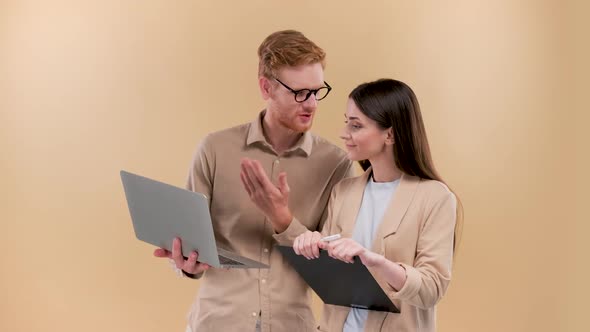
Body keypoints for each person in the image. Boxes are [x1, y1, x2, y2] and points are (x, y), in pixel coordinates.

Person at [152, 30, 354, 332]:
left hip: (291, 325)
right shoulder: (214, 149)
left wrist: (283, 220)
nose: (311, 104)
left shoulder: (335, 165)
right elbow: (191, 242)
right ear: (266, 87)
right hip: (217, 322)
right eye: (299, 93)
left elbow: (335, 270)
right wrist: (187, 264)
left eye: (317, 91)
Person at [242, 78, 462, 331]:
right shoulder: (344, 192)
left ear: (389, 134)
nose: (344, 133)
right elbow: (328, 269)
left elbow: (431, 289)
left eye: (356, 125)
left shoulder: (435, 197)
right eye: (347, 122)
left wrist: (374, 261)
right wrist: (307, 242)